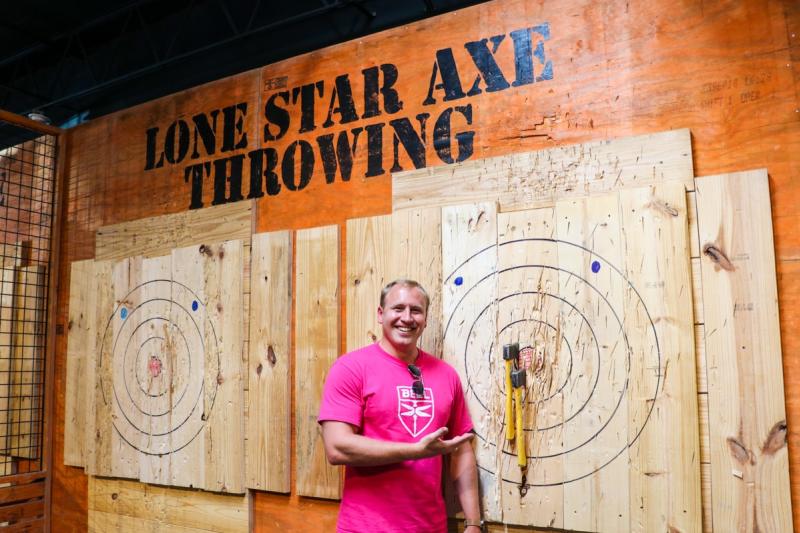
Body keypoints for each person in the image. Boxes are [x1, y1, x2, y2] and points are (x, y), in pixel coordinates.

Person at [319, 279, 483, 533]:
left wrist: (473, 522)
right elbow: (337, 448)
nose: (407, 318)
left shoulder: (447, 375)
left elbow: (461, 450)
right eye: (398, 308)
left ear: (426, 319)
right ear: (380, 314)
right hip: (365, 528)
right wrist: (414, 451)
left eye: (416, 310)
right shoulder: (351, 368)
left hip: (431, 527)